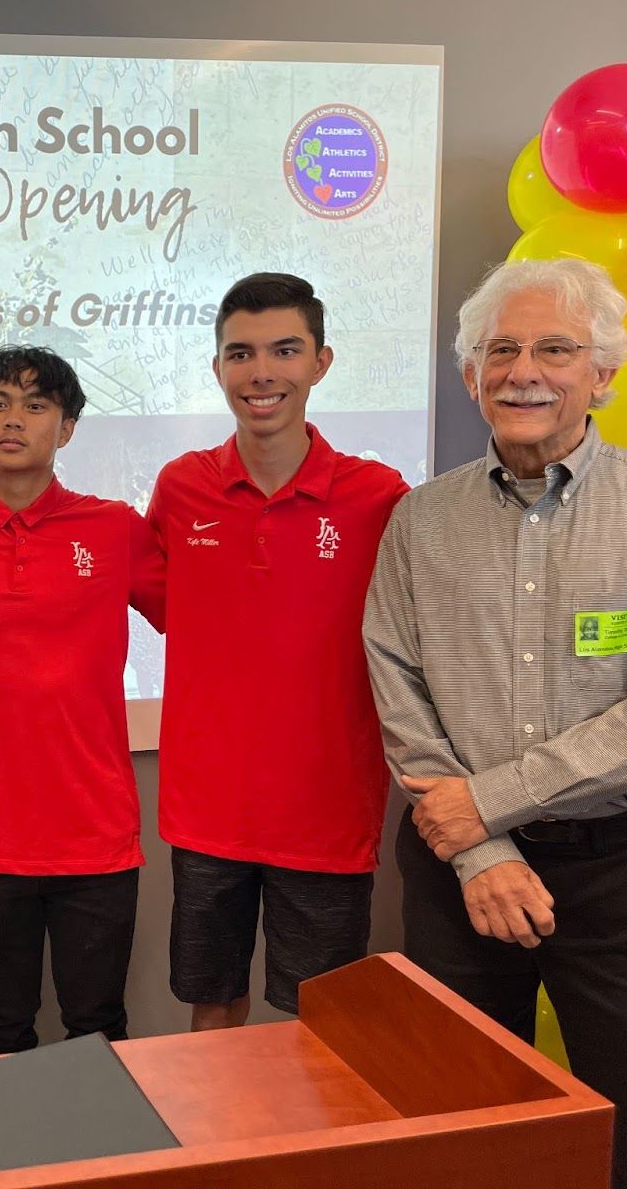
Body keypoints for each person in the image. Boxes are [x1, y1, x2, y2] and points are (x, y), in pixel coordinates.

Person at [364, 258, 627, 1189]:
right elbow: (399, 690)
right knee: (463, 1135)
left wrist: (483, 806)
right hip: (460, 881)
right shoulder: (420, 521)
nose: (523, 369)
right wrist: (481, 851)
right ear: (470, 376)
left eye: (555, 349)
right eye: (501, 350)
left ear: (602, 374)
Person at [146, 272, 408, 1029]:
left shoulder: (377, 496)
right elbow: (176, 611)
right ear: (218, 367)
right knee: (210, 1011)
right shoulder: (182, 487)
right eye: (241, 353)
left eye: (285, 351)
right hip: (207, 813)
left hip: (327, 815)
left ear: (321, 362)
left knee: (317, 1030)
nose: (262, 373)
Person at [0, 346, 165, 1056]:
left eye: (36, 405)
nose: (13, 420)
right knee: (0, 1027)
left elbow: (207, 613)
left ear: (67, 429)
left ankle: (102, 1170)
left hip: (96, 834)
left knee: (97, 1030)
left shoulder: (114, 528)